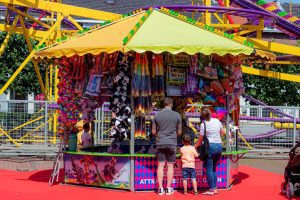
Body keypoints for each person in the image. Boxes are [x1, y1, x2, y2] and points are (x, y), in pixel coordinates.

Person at [152, 97, 182, 195]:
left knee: (160, 166)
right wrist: (172, 136)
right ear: (171, 104)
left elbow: (153, 131)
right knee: (170, 166)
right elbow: (179, 132)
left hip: (160, 142)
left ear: (163, 104)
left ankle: (160, 189)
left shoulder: (156, 115)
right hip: (172, 143)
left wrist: (161, 135)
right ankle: (168, 188)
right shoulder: (177, 115)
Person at [195, 107, 225, 195]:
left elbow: (200, 138)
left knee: (209, 169)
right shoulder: (217, 121)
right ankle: (215, 188)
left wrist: (195, 146)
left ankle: (211, 189)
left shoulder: (203, 124)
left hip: (210, 147)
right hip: (219, 146)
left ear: (202, 116)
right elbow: (222, 133)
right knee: (214, 168)